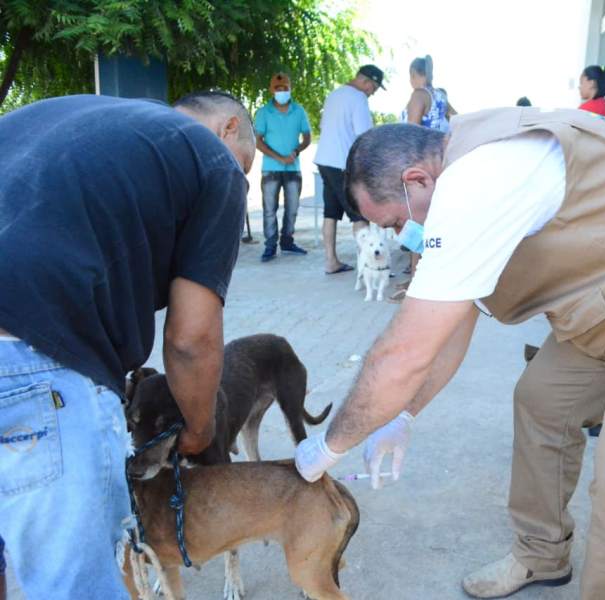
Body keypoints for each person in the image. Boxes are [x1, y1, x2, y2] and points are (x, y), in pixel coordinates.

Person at [295, 109, 605, 599]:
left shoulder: (481, 179)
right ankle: (541, 554)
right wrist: (404, 413)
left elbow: (405, 352)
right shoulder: (465, 182)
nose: (399, 236)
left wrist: (329, 447)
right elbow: (450, 327)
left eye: (395, 220)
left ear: (417, 179)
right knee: (542, 402)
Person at [0, 92, 255, 599]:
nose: (240, 175)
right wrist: (198, 429)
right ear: (230, 128)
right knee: (76, 585)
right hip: (35, 358)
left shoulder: (70, 116)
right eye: (246, 162)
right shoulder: (213, 161)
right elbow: (191, 339)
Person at [392, 55, 457, 300]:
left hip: (418, 167)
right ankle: (424, 275)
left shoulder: (418, 95)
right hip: (438, 166)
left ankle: (417, 281)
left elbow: (410, 133)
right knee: (431, 222)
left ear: (413, 74)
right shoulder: (440, 96)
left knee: (416, 222)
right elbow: (459, 121)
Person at [314, 64, 384, 274]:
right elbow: (365, 136)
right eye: (373, 88)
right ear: (365, 81)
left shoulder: (334, 95)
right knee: (360, 214)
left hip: (324, 160)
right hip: (342, 163)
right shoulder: (358, 98)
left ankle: (331, 261)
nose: (372, 93)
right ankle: (370, 265)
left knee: (330, 213)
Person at [254, 72, 312, 262]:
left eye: (285, 88)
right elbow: (258, 141)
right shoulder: (263, 112)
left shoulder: (299, 110)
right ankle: (270, 246)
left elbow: (307, 137)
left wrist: (296, 152)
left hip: (293, 168)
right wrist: (279, 158)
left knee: (293, 208)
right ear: (272, 90)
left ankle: (287, 242)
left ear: (290, 89)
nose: (282, 92)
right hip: (270, 168)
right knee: (269, 209)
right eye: (278, 89)